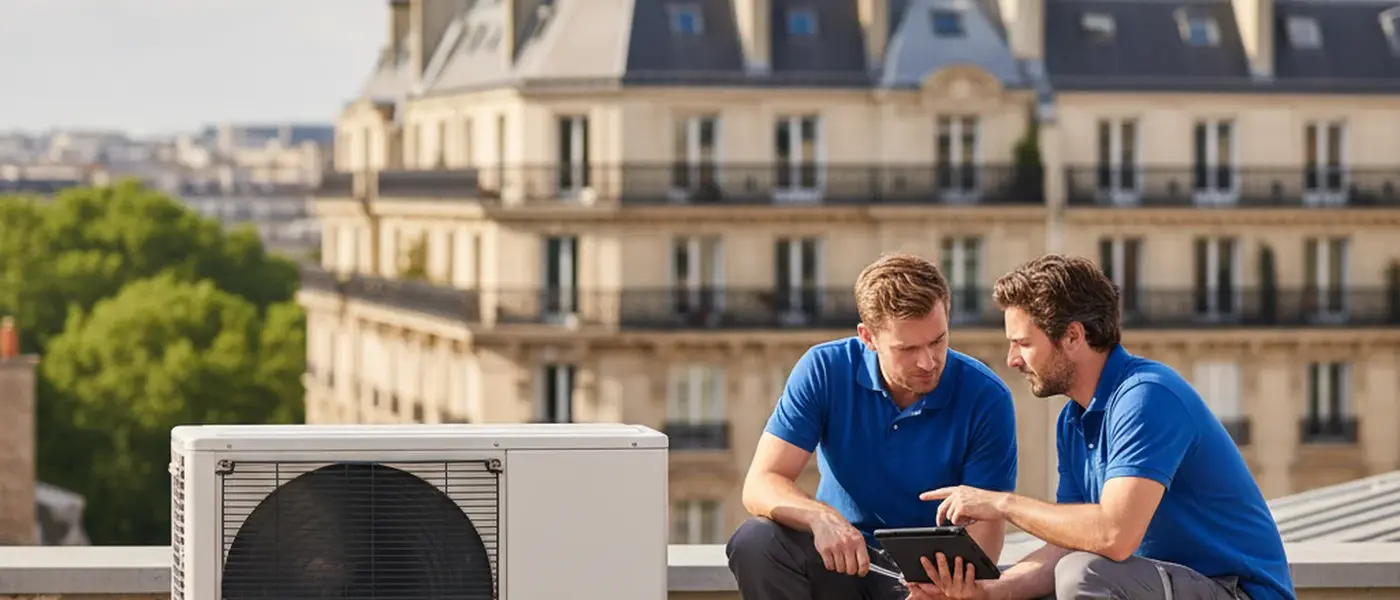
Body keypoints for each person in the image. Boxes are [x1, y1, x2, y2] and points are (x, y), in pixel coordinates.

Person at [907, 254, 1294, 600]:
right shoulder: (1072, 421)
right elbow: (1067, 545)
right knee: (1058, 576)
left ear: (1073, 336)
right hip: (1159, 587)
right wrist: (985, 593)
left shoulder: (1146, 397)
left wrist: (1002, 503)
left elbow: (1113, 535)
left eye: (1023, 343)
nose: (1012, 360)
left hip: (1236, 591)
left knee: (1084, 574)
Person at [726, 252, 1020, 600]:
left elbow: (986, 531)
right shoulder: (824, 369)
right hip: (840, 563)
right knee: (754, 541)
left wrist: (949, 593)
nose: (928, 362)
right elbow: (761, 483)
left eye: (938, 340)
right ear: (868, 337)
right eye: (907, 348)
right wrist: (821, 519)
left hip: (930, 581)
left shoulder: (987, 396)